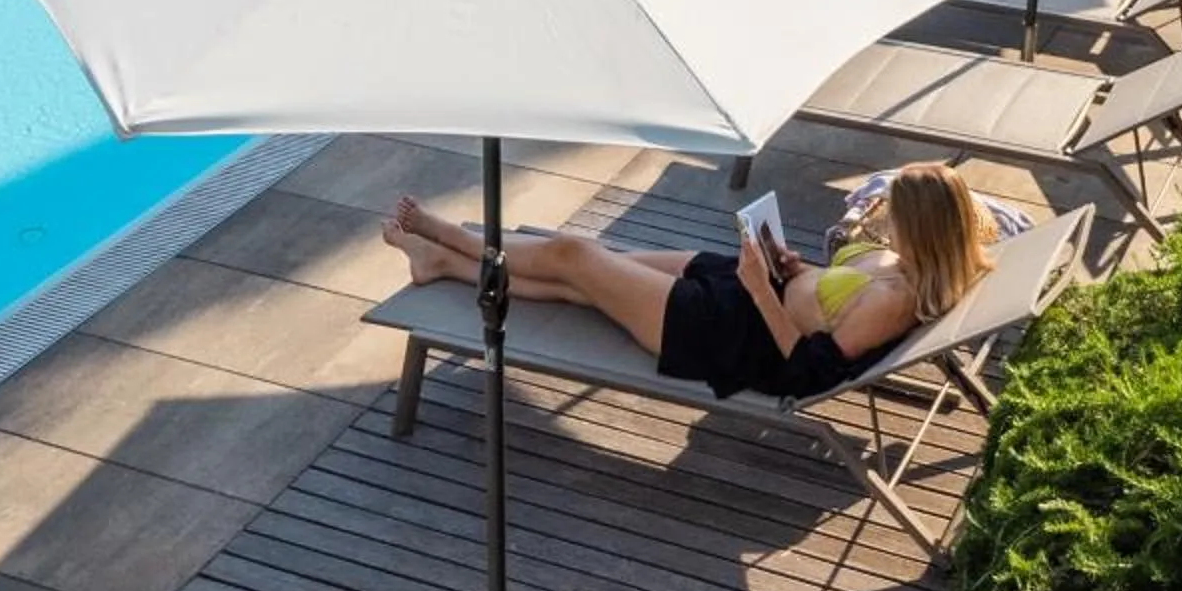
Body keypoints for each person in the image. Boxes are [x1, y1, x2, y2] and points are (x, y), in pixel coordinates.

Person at [380, 163, 997, 401]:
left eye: (893, 209)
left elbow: (806, 374)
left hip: (723, 331)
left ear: (924, 229)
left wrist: (761, 289)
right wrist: (791, 267)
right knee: (582, 272)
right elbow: (826, 306)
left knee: (573, 257)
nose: (879, 211)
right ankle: (444, 265)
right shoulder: (912, 267)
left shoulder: (895, 300)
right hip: (743, 291)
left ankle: (458, 240)